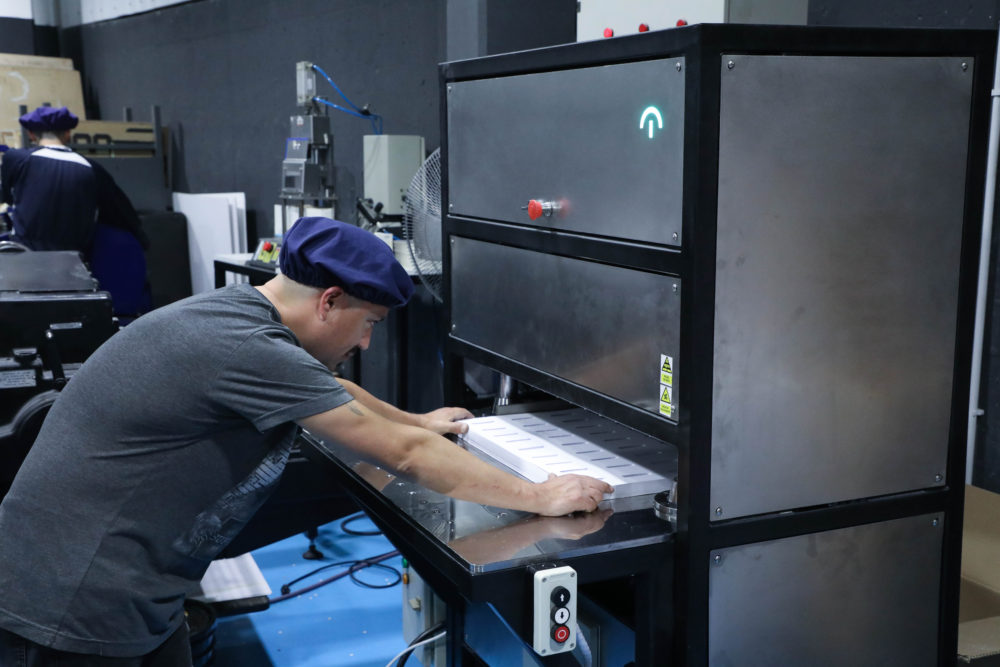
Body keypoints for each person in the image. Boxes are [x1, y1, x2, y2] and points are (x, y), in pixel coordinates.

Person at [0, 216, 613, 665]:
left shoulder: (238, 313)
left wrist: (415, 419)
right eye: (368, 324)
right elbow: (402, 456)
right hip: (70, 606)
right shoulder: (246, 347)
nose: (367, 342)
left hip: (134, 590)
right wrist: (540, 495)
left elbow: (331, 388)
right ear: (330, 300)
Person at [0, 105, 147, 255]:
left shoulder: (17, 159)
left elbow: (6, 197)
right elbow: (122, 213)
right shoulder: (92, 168)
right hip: (74, 260)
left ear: (31, 134)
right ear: (67, 134)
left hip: (25, 256)